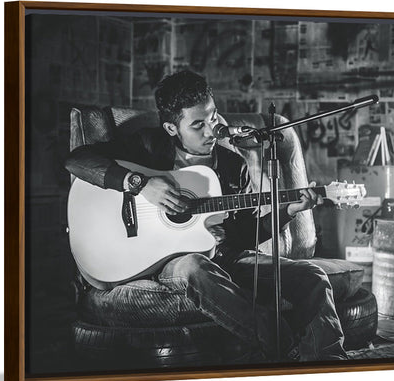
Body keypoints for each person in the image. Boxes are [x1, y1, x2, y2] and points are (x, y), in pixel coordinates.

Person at [65, 69, 347, 362]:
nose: (211, 131)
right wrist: (140, 183)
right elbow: (77, 161)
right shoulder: (147, 146)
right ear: (172, 129)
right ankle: (284, 351)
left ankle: (330, 364)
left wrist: (286, 212)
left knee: (311, 275)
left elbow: (247, 233)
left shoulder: (231, 164)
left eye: (212, 117)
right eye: (197, 124)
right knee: (194, 268)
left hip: (225, 258)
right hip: (167, 260)